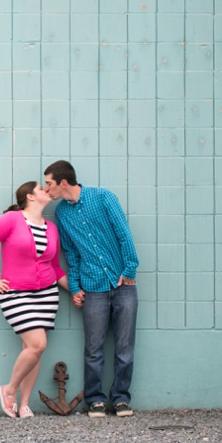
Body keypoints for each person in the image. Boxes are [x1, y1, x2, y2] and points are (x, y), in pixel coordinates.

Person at [43, 160, 139, 419]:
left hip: (123, 284)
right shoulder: (62, 212)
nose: (46, 189)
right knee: (93, 348)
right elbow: (71, 253)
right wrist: (74, 287)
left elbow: (124, 234)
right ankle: (95, 400)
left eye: (49, 183)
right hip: (92, 286)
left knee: (124, 347)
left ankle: (120, 399)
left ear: (63, 182)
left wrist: (129, 270)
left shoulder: (103, 197)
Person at [0, 181, 69, 418]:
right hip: (16, 293)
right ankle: (9, 390)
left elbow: (55, 268)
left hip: (47, 294)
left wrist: (76, 290)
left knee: (32, 349)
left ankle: (24, 403)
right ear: (30, 196)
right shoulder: (12, 220)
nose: (46, 190)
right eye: (41, 188)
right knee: (38, 344)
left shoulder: (52, 229)